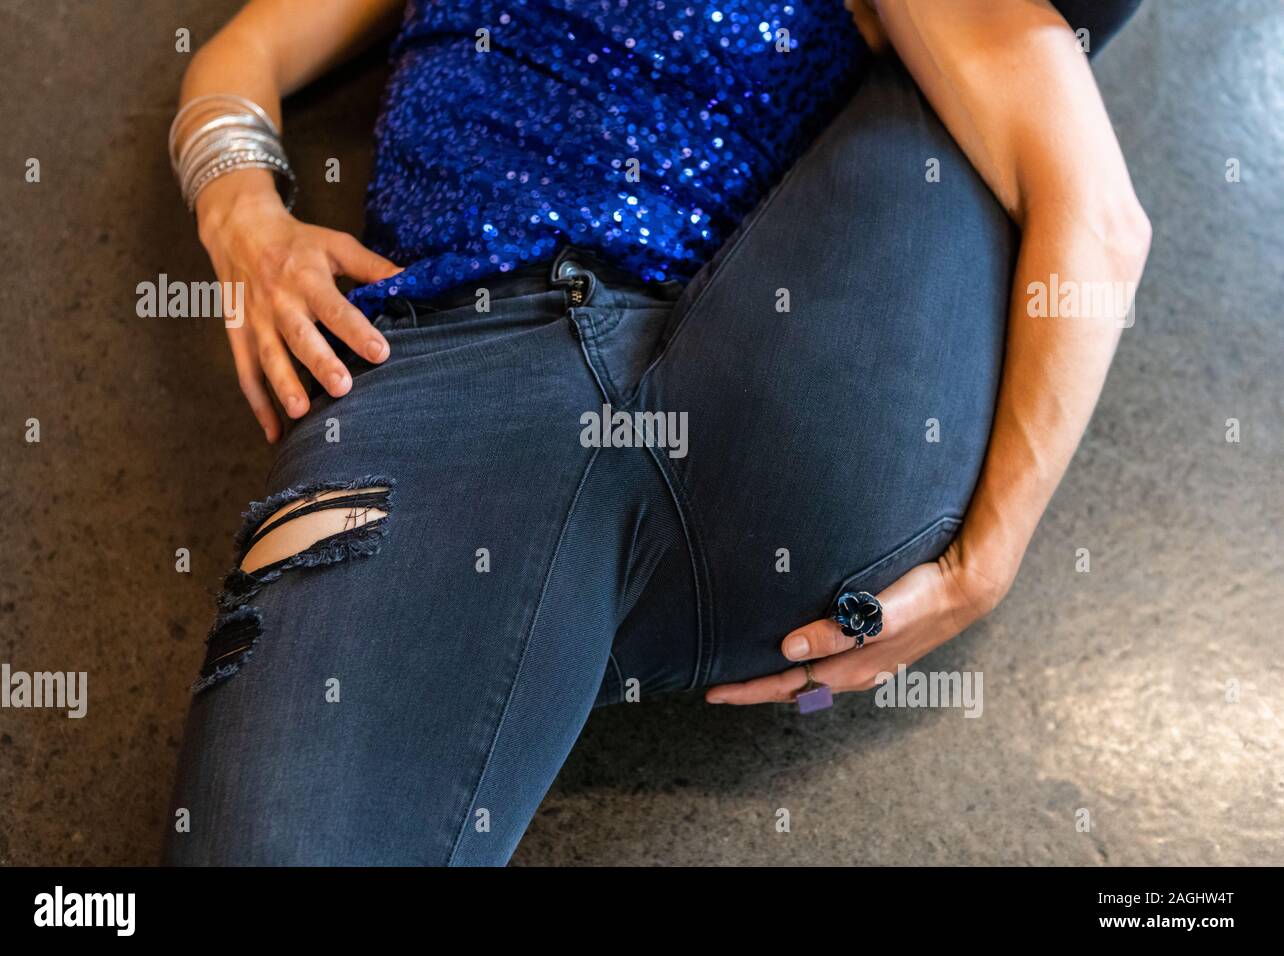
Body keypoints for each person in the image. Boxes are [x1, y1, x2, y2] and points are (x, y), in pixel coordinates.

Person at [163, 0, 1150, 865]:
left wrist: (988, 561)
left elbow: (1097, 217)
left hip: (763, 394)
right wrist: (240, 209)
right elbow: (244, 52)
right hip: (453, 377)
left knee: (953, 111)